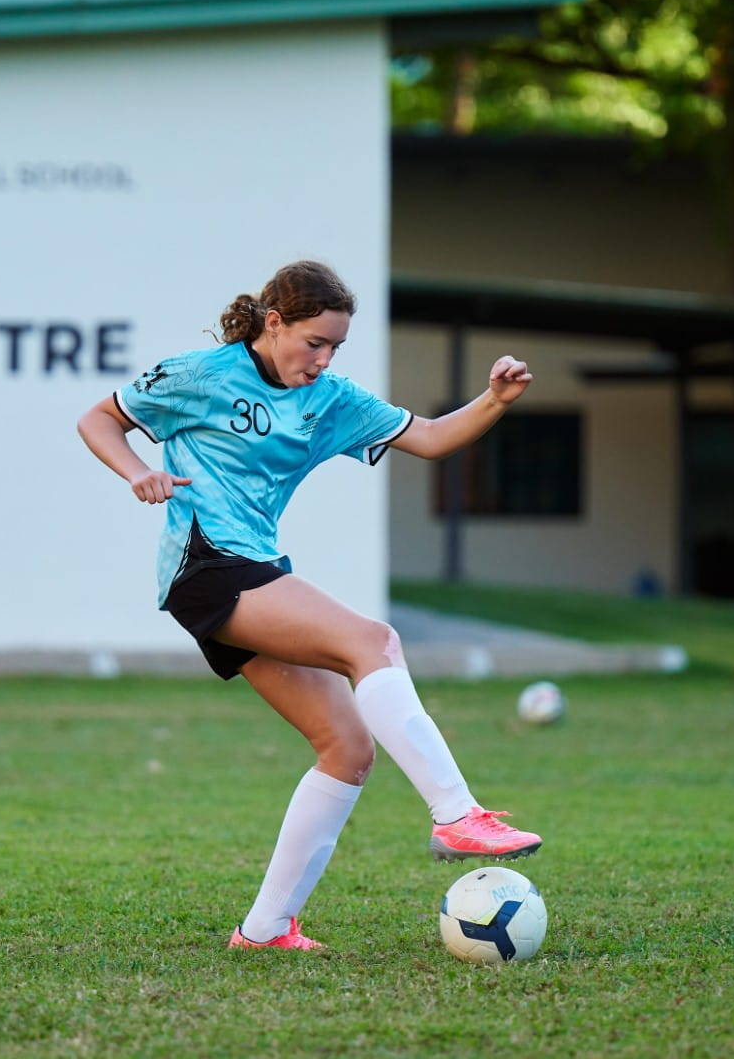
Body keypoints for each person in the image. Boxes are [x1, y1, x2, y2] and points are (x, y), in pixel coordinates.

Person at [77, 260, 543, 951]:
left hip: (251, 569)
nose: (323, 359)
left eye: (336, 347)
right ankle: (456, 813)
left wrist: (495, 400)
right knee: (374, 641)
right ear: (273, 323)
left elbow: (432, 437)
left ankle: (264, 929)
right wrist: (139, 471)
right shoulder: (202, 373)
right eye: (313, 342)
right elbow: (98, 420)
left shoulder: (331, 399)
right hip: (205, 567)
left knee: (347, 747)